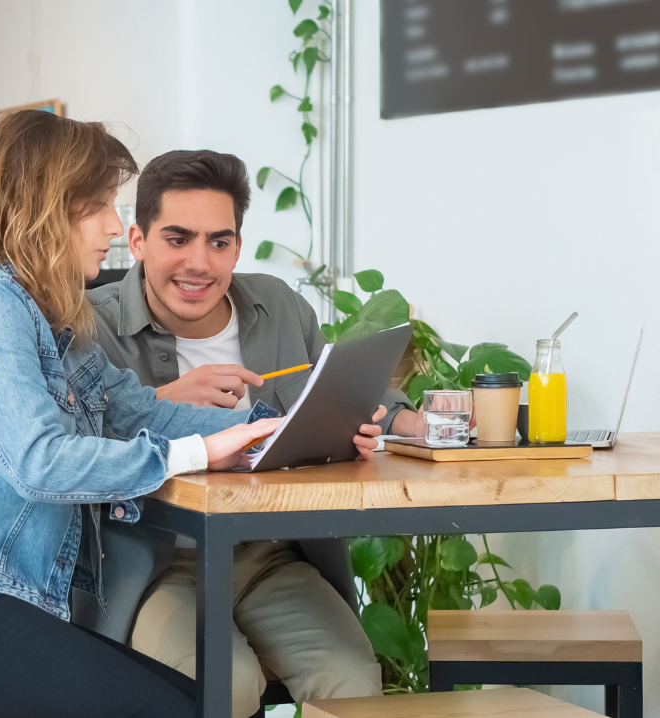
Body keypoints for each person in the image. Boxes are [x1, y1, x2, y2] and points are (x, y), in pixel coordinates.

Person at [0, 111, 387, 718]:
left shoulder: (56, 318)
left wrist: (271, 431)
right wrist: (201, 453)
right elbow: (39, 462)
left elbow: (140, 414)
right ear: (44, 210)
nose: (113, 224)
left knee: (199, 703)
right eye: (99, 205)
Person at [83, 149, 427, 717]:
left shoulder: (279, 307)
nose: (199, 262)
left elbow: (342, 388)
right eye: (177, 239)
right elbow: (59, 442)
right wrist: (164, 403)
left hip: (269, 555)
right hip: (156, 564)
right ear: (137, 241)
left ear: (237, 247)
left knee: (352, 680)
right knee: (229, 685)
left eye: (219, 242)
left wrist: (403, 420)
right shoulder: (88, 321)